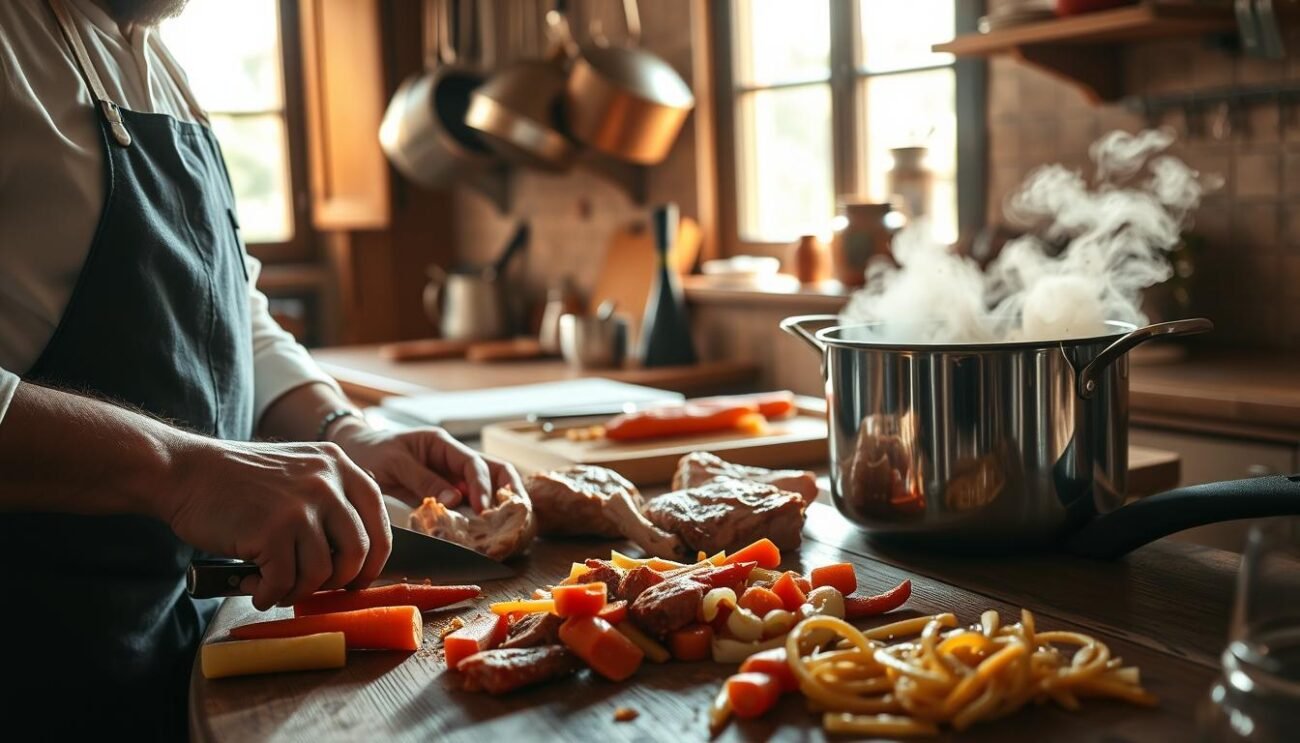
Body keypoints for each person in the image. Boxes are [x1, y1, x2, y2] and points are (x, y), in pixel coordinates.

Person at [0, 0, 524, 736]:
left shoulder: (161, 66)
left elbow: (232, 311)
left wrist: (346, 430)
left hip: (178, 645)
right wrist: (185, 471)